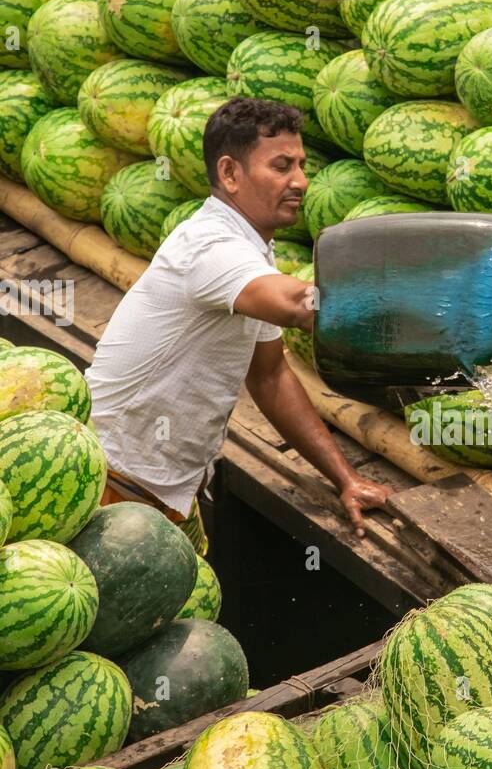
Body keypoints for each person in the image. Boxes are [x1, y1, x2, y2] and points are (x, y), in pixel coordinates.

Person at [85, 97, 391, 547]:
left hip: (165, 485)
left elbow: (269, 376)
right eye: (282, 166)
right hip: (116, 478)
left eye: (302, 165)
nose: (301, 182)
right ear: (230, 174)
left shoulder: (250, 254)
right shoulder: (210, 246)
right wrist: (401, 308)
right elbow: (294, 305)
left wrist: (345, 479)